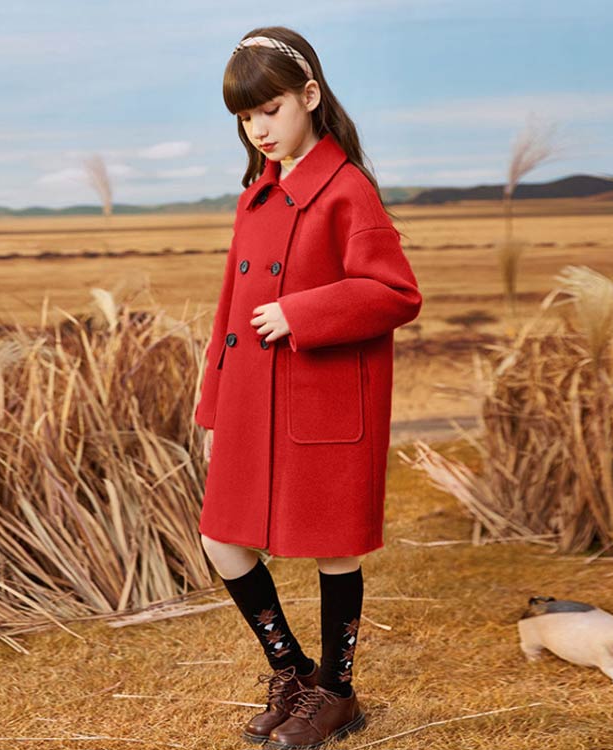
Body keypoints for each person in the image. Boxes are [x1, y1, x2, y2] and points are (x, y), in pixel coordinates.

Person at [193, 25, 423, 750]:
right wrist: (212, 408)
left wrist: (301, 313)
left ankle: (338, 694)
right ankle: (294, 674)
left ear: (311, 96)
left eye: (271, 109)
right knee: (220, 538)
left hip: (323, 403)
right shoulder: (255, 197)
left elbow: (396, 292)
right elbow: (228, 315)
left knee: (333, 547)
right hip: (250, 401)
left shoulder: (346, 188)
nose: (259, 128)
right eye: (246, 116)